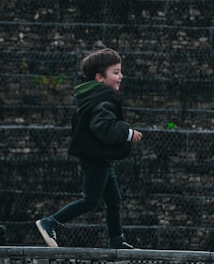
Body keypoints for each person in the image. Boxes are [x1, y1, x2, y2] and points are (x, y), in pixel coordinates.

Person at [36, 48, 143, 249]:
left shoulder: (94, 97)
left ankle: (117, 240)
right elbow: (103, 127)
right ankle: (50, 222)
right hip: (95, 157)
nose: (121, 76)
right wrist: (128, 133)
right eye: (116, 72)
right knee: (91, 200)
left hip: (99, 157)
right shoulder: (103, 99)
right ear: (99, 77)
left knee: (114, 199)